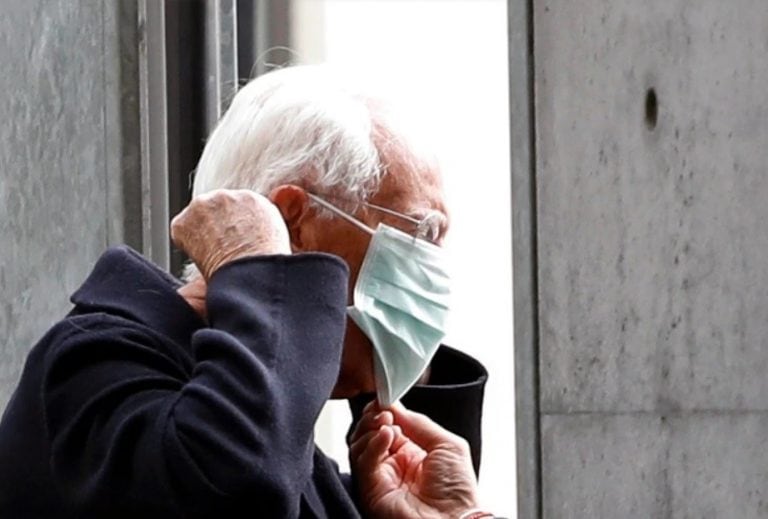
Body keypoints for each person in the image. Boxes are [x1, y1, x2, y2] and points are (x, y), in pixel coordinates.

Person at [0, 65, 497, 518]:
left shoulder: (302, 462)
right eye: (420, 233)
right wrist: (265, 276)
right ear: (292, 222)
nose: (432, 270)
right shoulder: (97, 365)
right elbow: (233, 491)